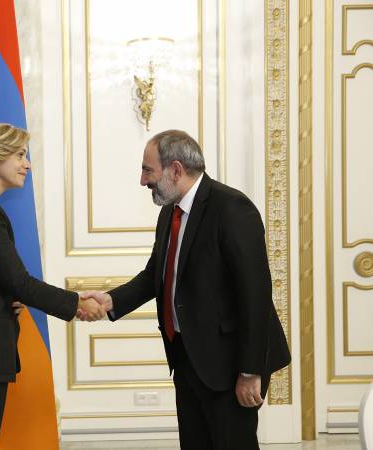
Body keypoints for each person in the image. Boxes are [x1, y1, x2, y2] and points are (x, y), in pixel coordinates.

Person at [80, 130, 291, 450]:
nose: (142, 180)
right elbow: (156, 275)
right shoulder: (170, 211)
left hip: (229, 363)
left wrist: (249, 371)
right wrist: (110, 300)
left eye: (148, 170)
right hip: (187, 357)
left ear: (175, 169)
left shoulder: (232, 208)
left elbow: (255, 295)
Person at [0, 122, 105, 450]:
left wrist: (10, 295)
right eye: (19, 154)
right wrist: (76, 303)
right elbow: (18, 280)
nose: (26, 164)